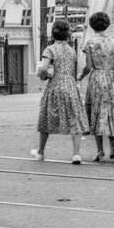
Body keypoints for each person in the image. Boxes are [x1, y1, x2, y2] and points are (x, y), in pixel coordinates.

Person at [78, 11, 114, 162]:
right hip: (111, 78)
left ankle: (100, 151)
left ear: (92, 25)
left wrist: (81, 76)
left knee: (96, 113)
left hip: (97, 78)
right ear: (106, 24)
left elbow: (88, 66)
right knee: (111, 111)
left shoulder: (90, 42)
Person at [31, 20, 89, 164]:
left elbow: (44, 68)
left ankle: (41, 152)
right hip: (70, 85)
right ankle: (76, 154)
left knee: (46, 118)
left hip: (55, 85)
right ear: (67, 34)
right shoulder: (71, 50)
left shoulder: (50, 49)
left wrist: (43, 75)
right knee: (75, 118)